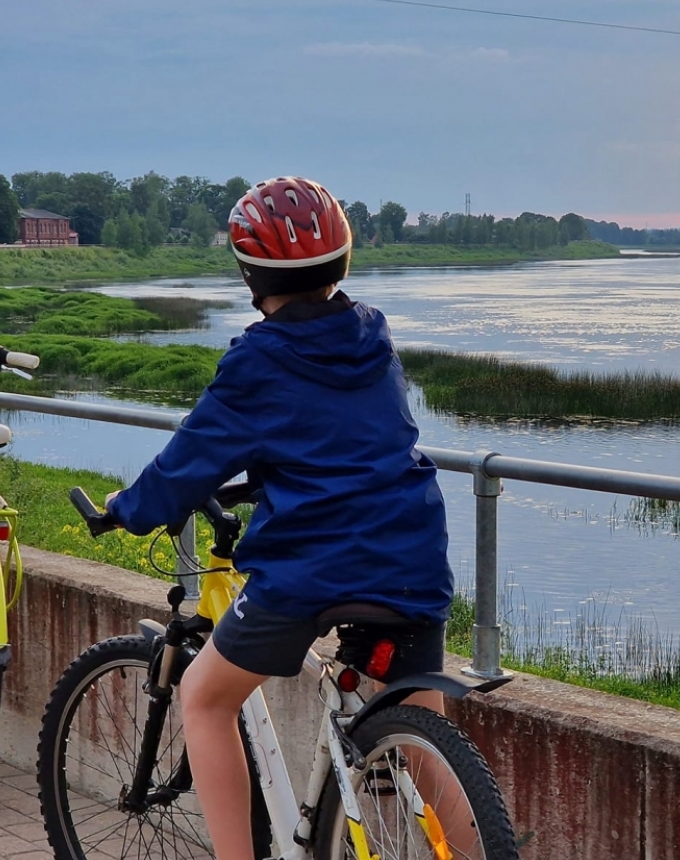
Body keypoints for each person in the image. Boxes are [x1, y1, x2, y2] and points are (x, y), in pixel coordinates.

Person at [102, 175, 454, 860]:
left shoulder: (259, 360)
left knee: (204, 696)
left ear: (250, 272)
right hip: (413, 556)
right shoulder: (372, 336)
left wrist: (131, 509)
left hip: (312, 569)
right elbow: (349, 440)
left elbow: (188, 464)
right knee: (428, 751)